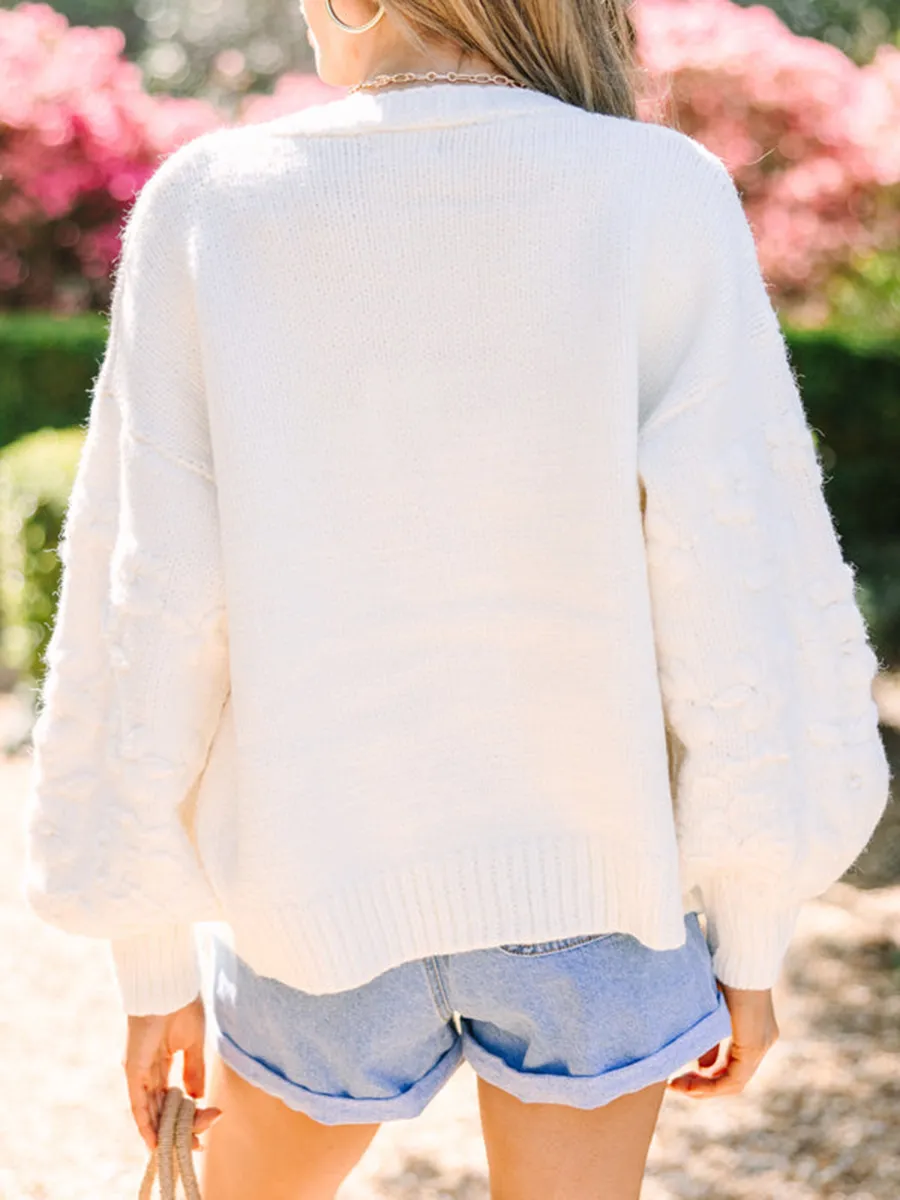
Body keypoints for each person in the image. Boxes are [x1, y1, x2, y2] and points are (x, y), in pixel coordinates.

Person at [23, 0, 890, 1196]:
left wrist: (150, 962)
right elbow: (738, 577)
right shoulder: (657, 192)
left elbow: (151, 595)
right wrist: (750, 930)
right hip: (600, 890)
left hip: (312, 885)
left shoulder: (211, 201)